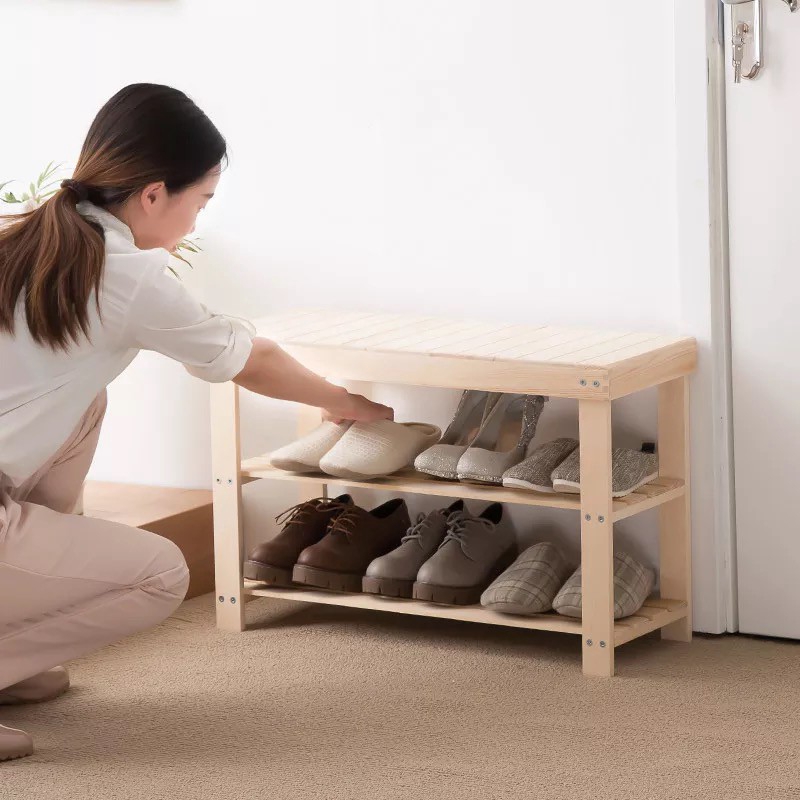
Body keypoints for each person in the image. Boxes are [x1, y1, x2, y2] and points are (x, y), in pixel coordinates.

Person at [0, 83, 393, 761]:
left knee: (85, 404)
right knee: (160, 574)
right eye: (201, 201)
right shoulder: (123, 274)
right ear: (155, 194)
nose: (196, 220)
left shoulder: (28, 237)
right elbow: (249, 358)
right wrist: (349, 403)